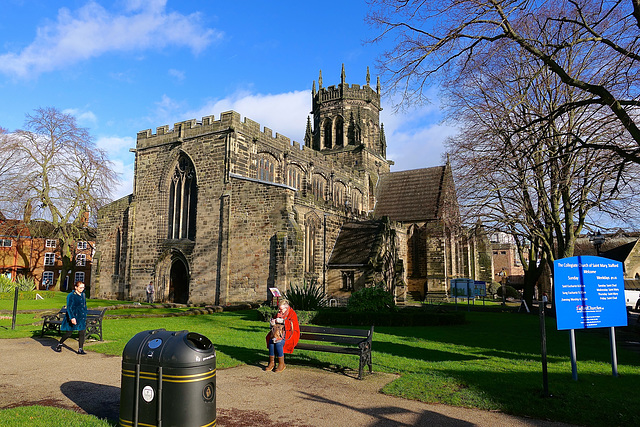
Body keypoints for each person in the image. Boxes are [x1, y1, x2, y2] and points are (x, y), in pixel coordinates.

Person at [264, 299, 300, 373]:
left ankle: (281, 364)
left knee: (278, 343)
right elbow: (273, 325)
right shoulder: (279, 313)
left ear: (286, 308)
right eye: (279, 309)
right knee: (271, 341)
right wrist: (272, 322)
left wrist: (283, 321)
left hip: (289, 334)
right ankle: (271, 363)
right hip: (278, 334)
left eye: (281, 309)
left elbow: (293, 325)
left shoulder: (292, 313)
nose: (280, 311)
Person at [54, 281, 88, 355]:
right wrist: (72, 317)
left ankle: (80, 349)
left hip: (81, 316)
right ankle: (59, 344)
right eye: (80, 287)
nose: (82, 289)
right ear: (76, 287)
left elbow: (84, 306)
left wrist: (85, 314)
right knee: (69, 333)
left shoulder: (83, 295)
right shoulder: (71, 295)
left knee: (82, 332)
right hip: (73, 316)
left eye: (83, 287)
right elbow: (69, 307)